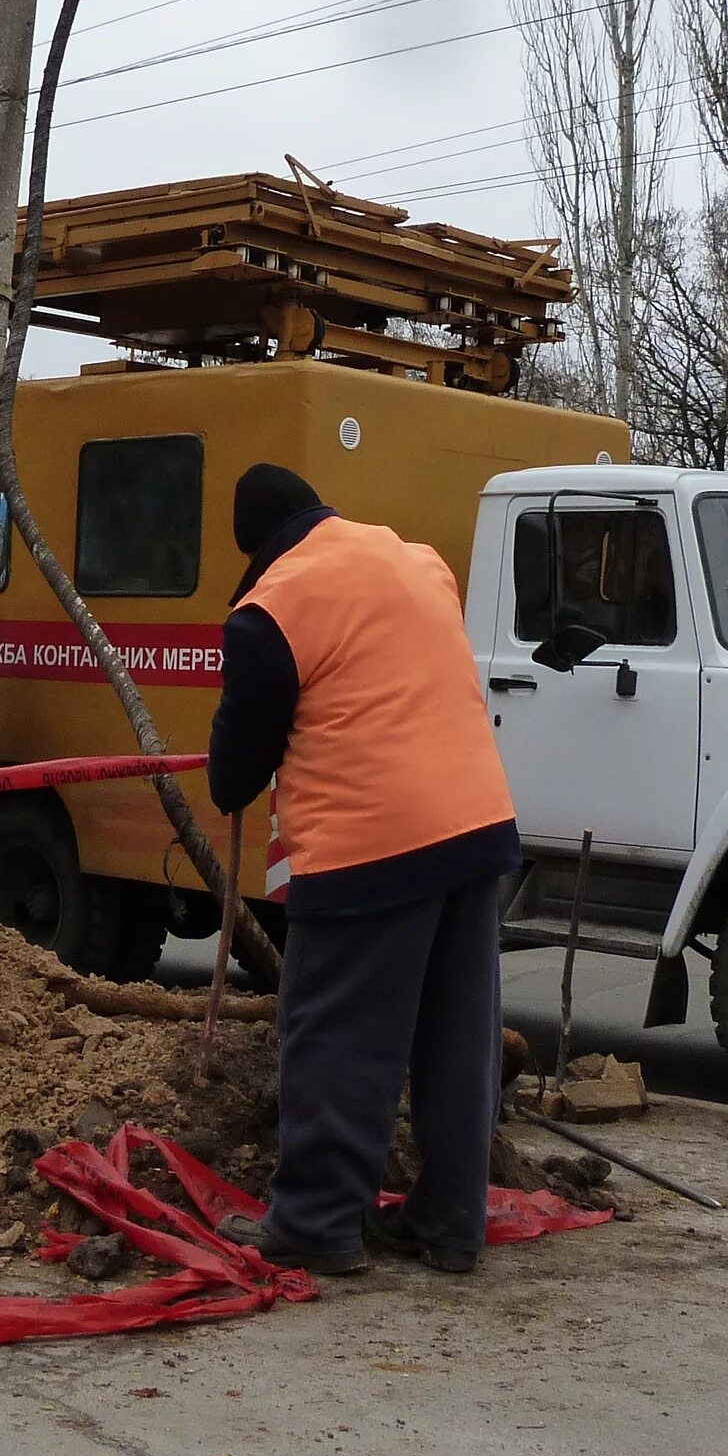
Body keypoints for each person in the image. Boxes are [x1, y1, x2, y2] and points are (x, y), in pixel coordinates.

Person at [205, 464, 523, 1276]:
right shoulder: (417, 560)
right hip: (476, 824)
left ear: (254, 545)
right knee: (457, 1037)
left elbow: (233, 774)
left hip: (370, 841)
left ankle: (314, 1222)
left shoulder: (270, 609)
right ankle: (450, 1221)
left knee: (338, 1036)